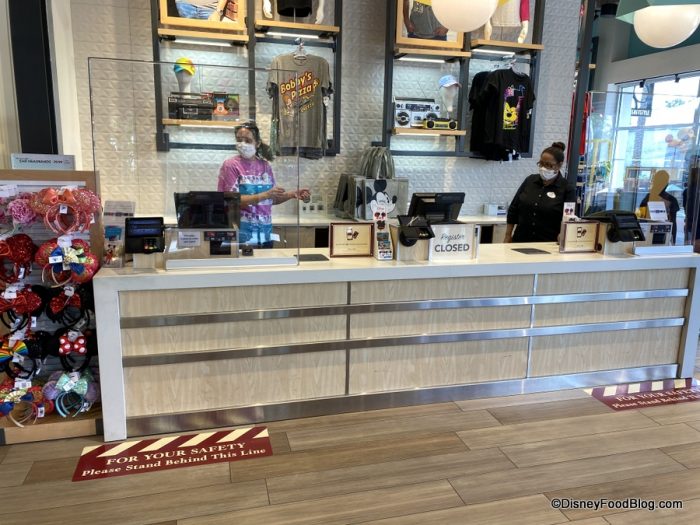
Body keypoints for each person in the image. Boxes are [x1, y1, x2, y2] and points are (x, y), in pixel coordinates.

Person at [218, 122, 310, 248]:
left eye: (248, 140)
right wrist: (265, 194)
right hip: (241, 236)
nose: (242, 144)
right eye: (239, 140)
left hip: (264, 234)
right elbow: (230, 201)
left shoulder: (265, 166)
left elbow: (271, 199)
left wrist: (292, 194)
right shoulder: (231, 165)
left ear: (257, 143)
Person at [504, 142, 576, 243]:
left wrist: (564, 235)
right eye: (541, 163)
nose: (543, 168)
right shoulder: (530, 180)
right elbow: (513, 209)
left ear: (559, 165)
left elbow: (569, 218)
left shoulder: (567, 188)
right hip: (520, 241)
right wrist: (508, 235)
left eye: (548, 165)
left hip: (548, 244)